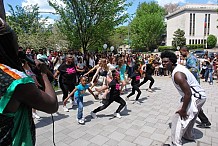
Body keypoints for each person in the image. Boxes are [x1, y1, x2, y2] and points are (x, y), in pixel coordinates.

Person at [0, 3, 58, 145]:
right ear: (7, 45)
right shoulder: (16, 82)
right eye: (15, 41)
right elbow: (52, 105)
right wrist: (43, 73)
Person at [161, 51, 207, 146]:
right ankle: (187, 136)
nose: (163, 63)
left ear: (172, 62)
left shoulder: (178, 74)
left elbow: (188, 93)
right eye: (163, 62)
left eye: (166, 62)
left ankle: (175, 143)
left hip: (196, 97)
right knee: (191, 118)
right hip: (200, 96)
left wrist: (183, 109)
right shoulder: (177, 69)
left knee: (178, 118)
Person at [179, 46, 211, 128]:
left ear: (185, 51)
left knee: (193, 103)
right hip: (192, 82)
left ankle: (204, 121)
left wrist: (184, 69)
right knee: (193, 103)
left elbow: (194, 69)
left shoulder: (191, 58)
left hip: (193, 84)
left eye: (181, 52)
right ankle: (204, 120)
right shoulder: (190, 57)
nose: (180, 54)